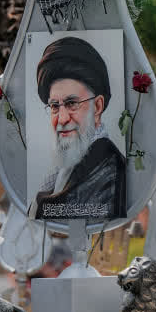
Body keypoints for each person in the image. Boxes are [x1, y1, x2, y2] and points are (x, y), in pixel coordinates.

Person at [31, 36, 127, 222]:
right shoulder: (63, 168)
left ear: (97, 107)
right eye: (54, 106)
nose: (62, 119)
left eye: (72, 103)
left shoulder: (108, 168)